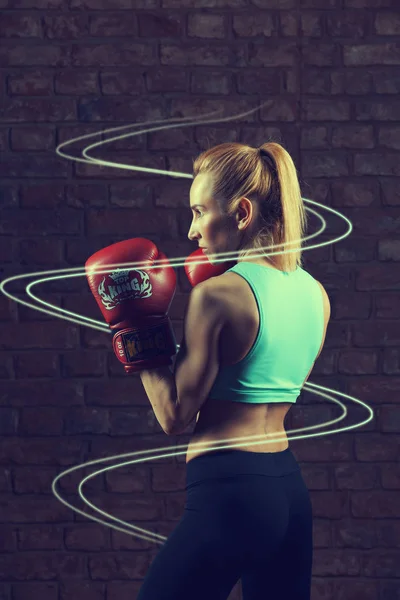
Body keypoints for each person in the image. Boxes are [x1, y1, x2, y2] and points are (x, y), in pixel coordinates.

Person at [87, 142, 331, 600]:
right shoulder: (316, 294)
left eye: (200, 211)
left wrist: (137, 327)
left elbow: (174, 416)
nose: (193, 229)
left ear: (241, 213)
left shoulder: (218, 295)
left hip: (231, 491)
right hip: (288, 491)